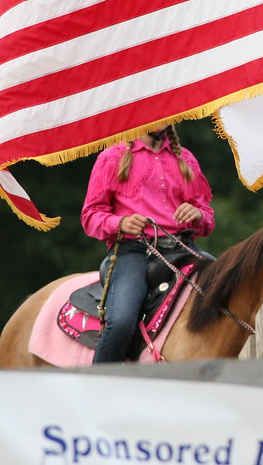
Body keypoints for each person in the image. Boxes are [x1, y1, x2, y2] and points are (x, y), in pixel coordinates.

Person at [81, 123, 214, 363]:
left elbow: (207, 218)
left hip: (182, 248)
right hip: (135, 251)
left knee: (226, 288)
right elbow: (90, 216)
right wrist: (120, 223)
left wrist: (198, 214)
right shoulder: (112, 157)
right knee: (121, 322)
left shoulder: (185, 158)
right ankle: (100, 381)